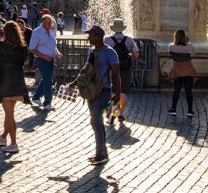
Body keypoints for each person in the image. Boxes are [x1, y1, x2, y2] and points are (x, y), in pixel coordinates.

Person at [67, 25, 120, 166]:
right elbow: (86, 70)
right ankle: (100, 152)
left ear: (98, 36)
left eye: (90, 35)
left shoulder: (110, 53)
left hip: (104, 90)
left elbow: (116, 74)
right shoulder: (91, 51)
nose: (88, 37)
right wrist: (75, 83)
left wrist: (117, 93)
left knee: (96, 118)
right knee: (94, 120)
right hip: (91, 90)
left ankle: (102, 153)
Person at [0, 21, 30, 153]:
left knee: (9, 114)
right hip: (18, 78)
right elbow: (25, 61)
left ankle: (13, 143)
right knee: (10, 112)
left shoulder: (2, 45)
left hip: (5, 79)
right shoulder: (23, 46)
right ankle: (3, 137)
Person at [103, 18, 138, 123]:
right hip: (125, 69)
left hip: (112, 69)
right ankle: (121, 113)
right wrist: (129, 55)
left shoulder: (108, 40)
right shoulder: (129, 40)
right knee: (123, 92)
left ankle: (112, 113)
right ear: (122, 28)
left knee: (113, 91)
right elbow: (136, 54)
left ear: (113, 29)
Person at [28, 14, 59, 110]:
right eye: (46, 23)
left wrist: (58, 53)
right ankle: (47, 103)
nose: (49, 24)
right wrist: (44, 56)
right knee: (48, 81)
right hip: (41, 59)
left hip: (50, 59)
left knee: (47, 79)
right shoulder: (37, 32)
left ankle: (36, 97)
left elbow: (53, 45)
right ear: (42, 22)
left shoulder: (51, 32)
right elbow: (32, 48)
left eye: (50, 23)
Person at [167, 29, 196, 117]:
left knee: (177, 90)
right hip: (188, 69)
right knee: (188, 90)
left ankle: (173, 109)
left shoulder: (171, 46)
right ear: (184, 37)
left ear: (175, 37)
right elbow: (192, 54)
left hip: (177, 69)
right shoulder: (190, 46)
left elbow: (171, 54)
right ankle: (190, 110)